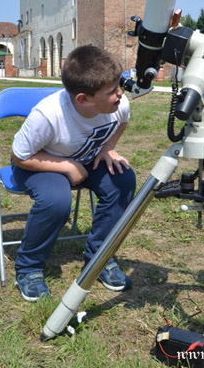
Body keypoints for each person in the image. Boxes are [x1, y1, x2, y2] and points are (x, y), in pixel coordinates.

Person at [10, 45, 136, 302]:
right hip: (37, 163)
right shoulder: (48, 115)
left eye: (118, 85)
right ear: (84, 99)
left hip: (86, 159)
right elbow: (20, 157)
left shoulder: (119, 104)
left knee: (123, 181)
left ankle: (99, 258)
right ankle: (28, 269)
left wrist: (108, 148)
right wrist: (67, 167)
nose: (120, 94)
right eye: (112, 91)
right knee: (57, 201)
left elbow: (122, 122)